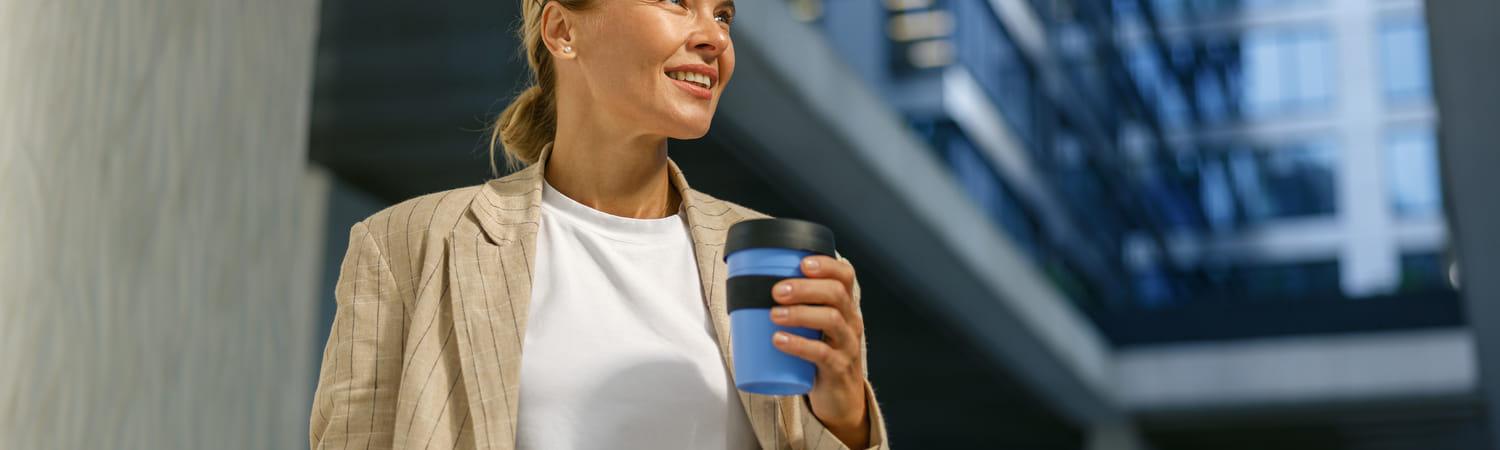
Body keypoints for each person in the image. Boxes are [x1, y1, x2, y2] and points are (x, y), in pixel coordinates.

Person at [308, 0, 889, 448]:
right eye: (674, 1)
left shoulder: (793, 271)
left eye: (723, 14)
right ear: (563, 29)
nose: (715, 37)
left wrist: (847, 419)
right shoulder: (405, 245)